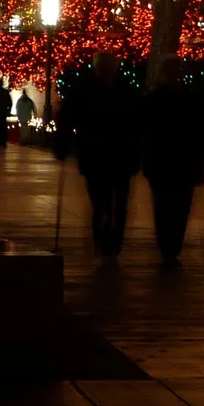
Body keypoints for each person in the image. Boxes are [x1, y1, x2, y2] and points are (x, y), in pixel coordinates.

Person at [63, 53, 138, 258]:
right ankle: (106, 239)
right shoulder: (115, 89)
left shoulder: (117, 89)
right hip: (98, 154)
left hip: (114, 154)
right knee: (102, 201)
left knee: (113, 202)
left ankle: (110, 241)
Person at [141, 58, 204, 266]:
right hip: (178, 160)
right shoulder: (189, 98)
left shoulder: (156, 97)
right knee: (176, 206)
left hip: (168, 160)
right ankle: (171, 245)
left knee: (167, 206)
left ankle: (168, 245)